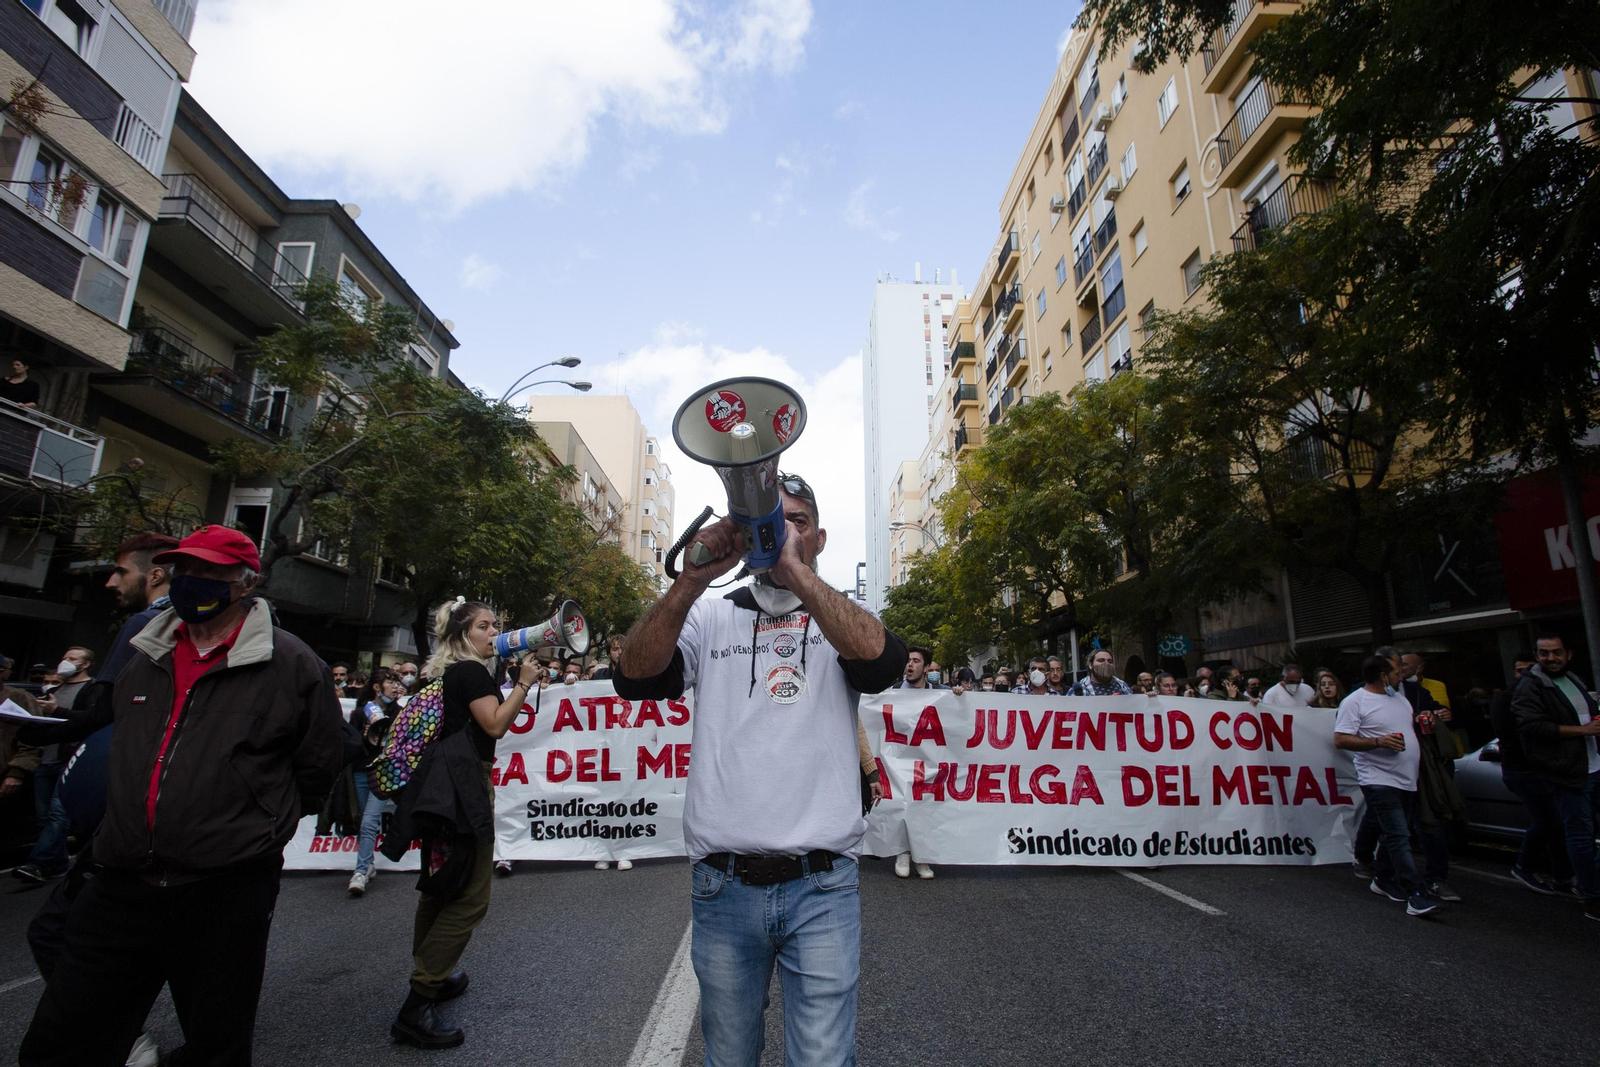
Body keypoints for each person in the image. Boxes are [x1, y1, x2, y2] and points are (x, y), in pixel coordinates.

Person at [18, 525, 343, 1067]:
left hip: (224, 889)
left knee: (216, 1041)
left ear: (245, 583)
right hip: (120, 880)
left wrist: (259, 825)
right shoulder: (143, 653)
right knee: (62, 1039)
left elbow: (318, 764)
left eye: (210, 573)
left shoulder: (291, 664)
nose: (193, 582)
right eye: (186, 571)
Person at [613, 471, 908, 1066]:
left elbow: (882, 663)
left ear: (819, 539)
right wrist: (691, 580)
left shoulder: (840, 619)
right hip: (724, 887)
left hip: (822, 884)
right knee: (729, 1055)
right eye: (765, 521)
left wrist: (795, 571)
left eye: (794, 521)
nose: (779, 531)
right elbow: (636, 678)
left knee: (823, 1058)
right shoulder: (710, 615)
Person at [386, 598, 544, 1049]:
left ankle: (435, 975)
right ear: (461, 635)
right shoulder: (472, 672)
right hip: (463, 787)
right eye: (482, 626)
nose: (493, 632)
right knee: (471, 896)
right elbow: (494, 726)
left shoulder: (447, 673)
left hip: (441, 788)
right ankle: (418, 1002)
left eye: (495, 624)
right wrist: (522, 685)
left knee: (441, 882)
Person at [1333, 655, 1440, 917]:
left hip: (1406, 779)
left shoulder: (1399, 699)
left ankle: (1382, 878)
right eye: (1395, 672)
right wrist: (1378, 742)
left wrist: (1426, 718)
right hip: (1378, 779)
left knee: (1395, 833)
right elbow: (1340, 739)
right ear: (1383, 675)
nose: (1400, 676)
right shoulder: (1355, 702)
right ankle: (1414, 892)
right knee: (1398, 834)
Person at [1509, 633, 1600, 923]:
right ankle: (1593, 897)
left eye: (1556, 652)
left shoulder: (1573, 679)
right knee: (1580, 835)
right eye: (1544, 653)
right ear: (1537, 656)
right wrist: (1582, 731)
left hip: (1594, 766)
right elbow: (1531, 725)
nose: (1551, 658)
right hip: (1567, 772)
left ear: (1568, 654)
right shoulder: (1530, 686)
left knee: (1585, 835)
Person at [1490, 652, 1574, 894]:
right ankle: (1525, 866)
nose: (1525, 675)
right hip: (1523, 770)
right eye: (1519, 671)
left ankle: (1563, 876)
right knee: (1549, 820)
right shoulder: (1507, 699)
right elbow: (1517, 735)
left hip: (1544, 768)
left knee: (1556, 822)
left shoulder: (1545, 693)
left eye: (1529, 669)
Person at [14, 645, 94, 884]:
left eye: (72, 658)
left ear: (85, 665)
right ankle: (58, 864)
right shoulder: (54, 689)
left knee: (59, 816)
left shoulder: (93, 689)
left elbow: (91, 719)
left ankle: (36, 865)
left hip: (70, 760)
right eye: (64, 657)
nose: (65, 662)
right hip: (46, 759)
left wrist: (57, 709)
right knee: (44, 818)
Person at [348, 667, 403, 897]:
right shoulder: (361, 713)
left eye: (394, 682)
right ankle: (368, 863)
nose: (393, 686)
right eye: (389, 682)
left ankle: (360, 872)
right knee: (364, 819)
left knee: (370, 821)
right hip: (362, 771)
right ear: (376, 687)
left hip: (383, 773)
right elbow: (350, 743)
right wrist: (363, 737)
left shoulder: (398, 711)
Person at [890, 646, 941, 880]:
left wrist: (961, 696)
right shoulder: (891, 693)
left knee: (925, 806)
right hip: (902, 758)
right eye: (908, 661)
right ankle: (903, 852)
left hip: (929, 761)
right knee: (904, 803)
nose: (910, 665)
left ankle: (922, 856)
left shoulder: (941, 694)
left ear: (926, 667)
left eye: (916, 661)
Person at [1067, 650, 1135, 696]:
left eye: (1110, 661)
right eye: (1101, 660)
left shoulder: (1122, 686)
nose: (1106, 664)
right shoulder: (1078, 690)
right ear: (1091, 665)